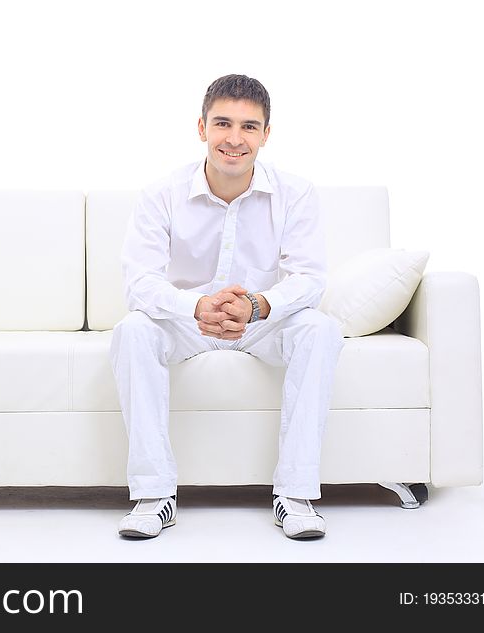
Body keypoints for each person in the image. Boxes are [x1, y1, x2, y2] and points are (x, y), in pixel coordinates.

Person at [110, 74, 343, 540]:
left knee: (320, 328)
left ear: (266, 134)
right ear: (201, 128)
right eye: (223, 124)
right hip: (186, 322)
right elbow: (140, 283)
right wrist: (196, 306)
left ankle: (294, 495)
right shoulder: (162, 193)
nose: (235, 139)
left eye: (249, 127)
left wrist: (259, 305)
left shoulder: (296, 192)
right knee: (133, 329)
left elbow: (310, 278)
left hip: (261, 324)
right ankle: (155, 495)